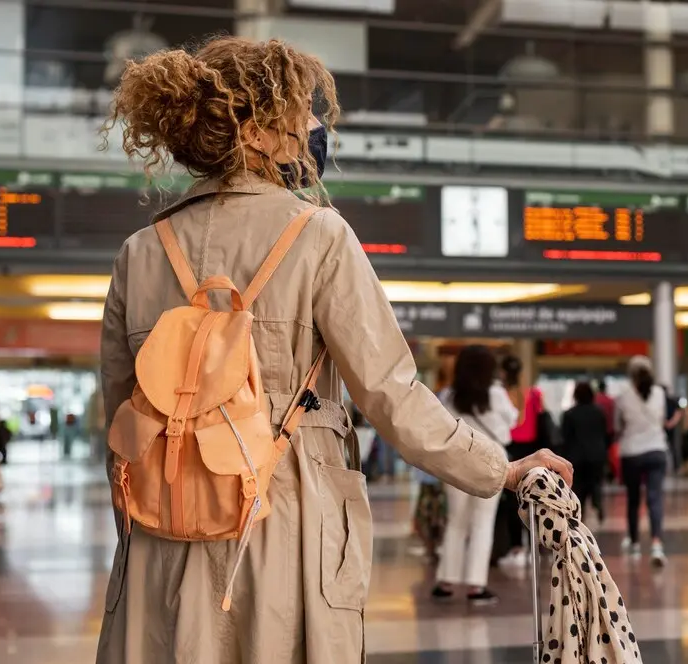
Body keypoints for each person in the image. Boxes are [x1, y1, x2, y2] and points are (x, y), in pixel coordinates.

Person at [97, 37, 572, 663]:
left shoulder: (141, 251)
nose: (317, 128)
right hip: (280, 517)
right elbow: (389, 391)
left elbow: (118, 419)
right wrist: (498, 469)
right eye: (304, 112)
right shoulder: (316, 234)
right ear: (260, 130)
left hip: (161, 529)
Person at [432, 346, 519, 605]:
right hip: (490, 461)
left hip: (456, 461)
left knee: (456, 521)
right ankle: (475, 586)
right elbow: (513, 422)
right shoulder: (496, 394)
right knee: (482, 523)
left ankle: (445, 582)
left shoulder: (449, 395)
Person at [614, 356, 669, 567]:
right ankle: (656, 544)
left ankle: (635, 543)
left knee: (633, 500)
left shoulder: (624, 397)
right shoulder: (660, 394)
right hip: (656, 450)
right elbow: (662, 420)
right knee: (655, 498)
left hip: (632, 453)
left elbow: (618, 426)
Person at [494, 354, 544, 568]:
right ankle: (535, 546)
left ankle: (515, 547)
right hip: (531, 451)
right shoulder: (533, 394)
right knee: (532, 498)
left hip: (509, 449)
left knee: (510, 503)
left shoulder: (499, 395)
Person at [560, 382, 609, 523]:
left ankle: (580, 517)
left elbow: (565, 438)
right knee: (595, 483)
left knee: (579, 489)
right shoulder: (599, 412)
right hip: (597, 455)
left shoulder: (569, 414)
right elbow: (605, 434)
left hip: (577, 457)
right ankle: (597, 501)